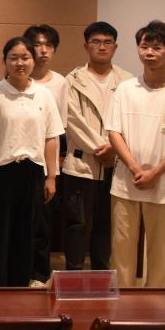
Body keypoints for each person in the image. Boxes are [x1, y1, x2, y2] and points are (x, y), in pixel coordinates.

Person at [106, 20, 165, 288]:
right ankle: (123, 300)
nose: (149, 52)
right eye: (144, 46)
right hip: (126, 181)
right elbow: (114, 131)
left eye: (157, 47)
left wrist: (155, 172)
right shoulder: (126, 89)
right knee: (121, 248)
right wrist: (136, 168)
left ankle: (155, 302)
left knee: (161, 250)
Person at [0, 37, 63, 287]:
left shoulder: (44, 95)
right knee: (0, 232)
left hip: (33, 170)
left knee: (27, 233)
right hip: (1, 170)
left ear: (33, 60)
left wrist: (51, 177)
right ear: (4, 61)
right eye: (13, 58)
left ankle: (19, 286)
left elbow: (51, 137)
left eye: (25, 57)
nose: (20, 63)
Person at [60, 22, 132, 272]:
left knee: (106, 223)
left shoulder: (127, 81)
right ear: (86, 46)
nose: (102, 47)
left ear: (115, 47)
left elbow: (130, 120)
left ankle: (102, 275)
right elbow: (72, 120)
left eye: (107, 42)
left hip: (117, 164)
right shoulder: (72, 80)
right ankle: (73, 275)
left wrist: (114, 150)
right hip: (81, 164)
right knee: (76, 223)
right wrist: (102, 148)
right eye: (96, 42)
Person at [23, 24, 69, 285]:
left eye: (48, 45)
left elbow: (61, 128)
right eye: (37, 45)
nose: (42, 50)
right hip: (20, 160)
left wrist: (55, 168)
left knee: (43, 223)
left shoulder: (60, 83)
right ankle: (20, 272)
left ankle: (40, 274)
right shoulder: (16, 76)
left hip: (46, 163)